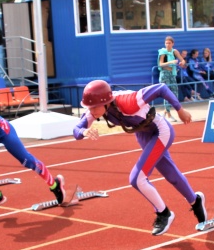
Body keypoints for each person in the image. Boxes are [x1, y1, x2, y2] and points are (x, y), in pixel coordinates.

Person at [73, 80, 206, 235]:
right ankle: (195, 201)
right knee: (170, 174)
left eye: (94, 107)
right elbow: (76, 130)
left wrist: (180, 109)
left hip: (160, 131)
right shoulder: (96, 110)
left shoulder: (129, 101)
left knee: (137, 179)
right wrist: (84, 132)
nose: (91, 111)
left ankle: (164, 213)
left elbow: (161, 88)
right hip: (143, 134)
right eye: (89, 107)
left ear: (106, 102)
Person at [157, 36, 183, 121]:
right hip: (164, 74)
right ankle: (168, 114)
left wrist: (182, 62)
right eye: (166, 43)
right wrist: (171, 62)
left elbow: (182, 60)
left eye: (169, 43)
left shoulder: (174, 51)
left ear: (173, 44)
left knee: (175, 93)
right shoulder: (163, 52)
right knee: (167, 94)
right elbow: (160, 64)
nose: (167, 45)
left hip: (172, 74)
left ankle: (165, 111)